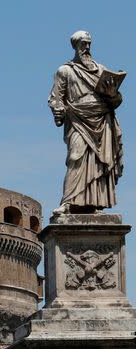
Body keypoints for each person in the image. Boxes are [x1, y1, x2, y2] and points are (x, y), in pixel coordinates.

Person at [48, 30, 124, 215]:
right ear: (75, 45)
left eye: (89, 43)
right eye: (83, 43)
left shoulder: (101, 70)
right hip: (78, 119)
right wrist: (58, 109)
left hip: (102, 119)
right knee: (76, 157)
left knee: (99, 161)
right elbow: (55, 98)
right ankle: (68, 202)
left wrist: (113, 93)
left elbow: (116, 101)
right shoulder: (65, 71)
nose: (87, 47)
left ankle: (96, 202)